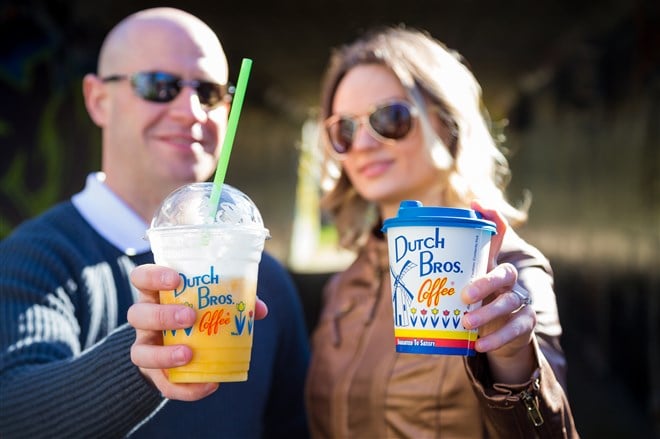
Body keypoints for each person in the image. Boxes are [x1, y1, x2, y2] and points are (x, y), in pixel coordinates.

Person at [0, 7, 309, 438]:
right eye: (159, 86)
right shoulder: (36, 256)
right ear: (97, 100)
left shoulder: (264, 279)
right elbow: (13, 416)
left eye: (209, 92)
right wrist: (139, 366)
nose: (191, 111)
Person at [304, 26, 579, 438]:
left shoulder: (507, 271)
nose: (362, 143)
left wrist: (514, 364)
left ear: (448, 123)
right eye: (344, 129)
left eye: (389, 118)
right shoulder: (345, 284)